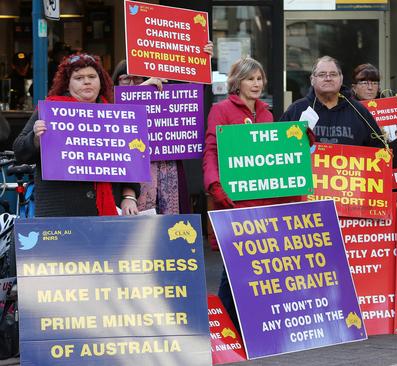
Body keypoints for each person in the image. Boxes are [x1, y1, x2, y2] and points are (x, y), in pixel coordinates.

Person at [203, 57, 306, 329]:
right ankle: (225, 329)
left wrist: (300, 143)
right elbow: (211, 150)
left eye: (259, 78)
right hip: (236, 203)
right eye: (250, 79)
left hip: (264, 205)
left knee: (256, 268)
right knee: (233, 268)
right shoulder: (221, 110)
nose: (256, 84)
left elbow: (275, 157)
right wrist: (214, 185)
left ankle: (247, 326)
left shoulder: (267, 114)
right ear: (237, 83)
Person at [13, 53, 139, 217]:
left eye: (92, 76)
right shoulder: (51, 110)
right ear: (67, 84)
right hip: (60, 212)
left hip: (105, 214)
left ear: (101, 81)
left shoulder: (116, 114)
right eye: (79, 78)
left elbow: (130, 163)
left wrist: (129, 197)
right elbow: (20, 152)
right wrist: (36, 138)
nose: (87, 81)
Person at [110, 41, 213, 215]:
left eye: (137, 79)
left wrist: (202, 60)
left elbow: (190, 99)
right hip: (133, 179)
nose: (132, 84)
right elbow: (121, 111)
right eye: (125, 79)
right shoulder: (109, 105)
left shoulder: (160, 97)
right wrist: (142, 90)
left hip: (168, 169)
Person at [280, 56, 385, 148]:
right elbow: (280, 148)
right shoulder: (296, 110)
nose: (328, 78)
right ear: (312, 79)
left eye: (333, 74)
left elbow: (379, 150)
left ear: (341, 79)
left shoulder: (359, 111)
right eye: (322, 74)